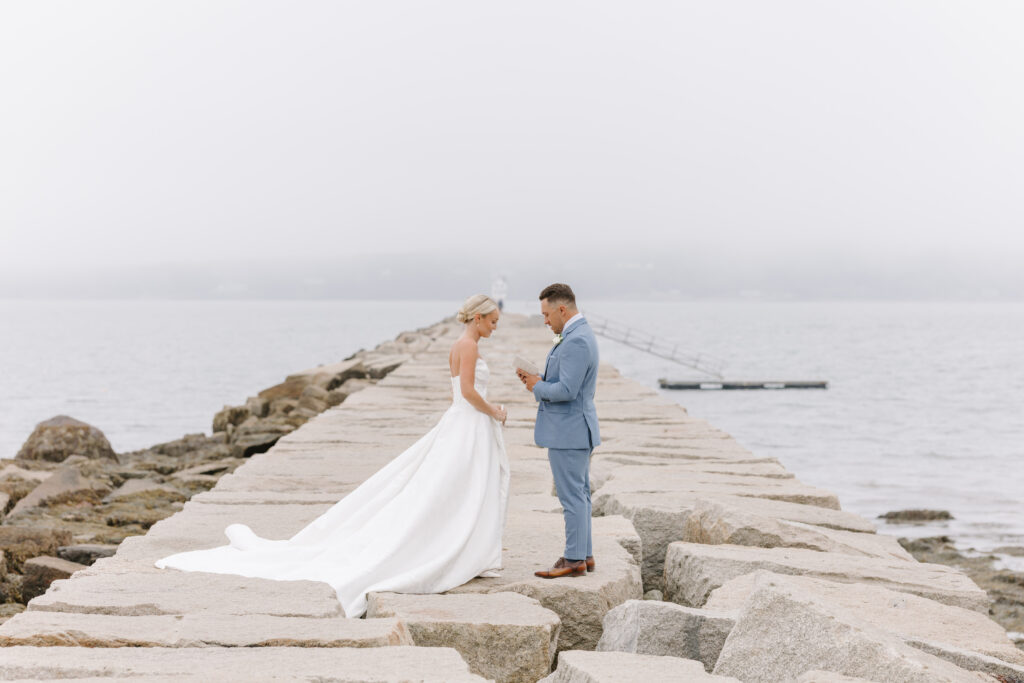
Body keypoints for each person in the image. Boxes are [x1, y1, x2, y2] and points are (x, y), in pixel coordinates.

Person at [155, 295, 510, 618]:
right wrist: (494, 410)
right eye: (492, 321)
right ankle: (457, 547)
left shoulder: (458, 344)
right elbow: (466, 391)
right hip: (468, 422)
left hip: (459, 422)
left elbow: (456, 397)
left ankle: (463, 545)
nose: (495, 327)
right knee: (460, 487)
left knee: (455, 486)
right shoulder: (469, 347)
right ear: (477, 318)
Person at [516, 283, 600, 578]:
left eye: (546, 314)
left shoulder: (576, 340)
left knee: (572, 497)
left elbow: (567, 390)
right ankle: (584, 554)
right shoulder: (577, 335)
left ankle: (574, 558)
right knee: (580, 494)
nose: (545, 321)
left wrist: (536, 386)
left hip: (570, 430)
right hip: (575, 428)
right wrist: (539, 378)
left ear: (562, 309)